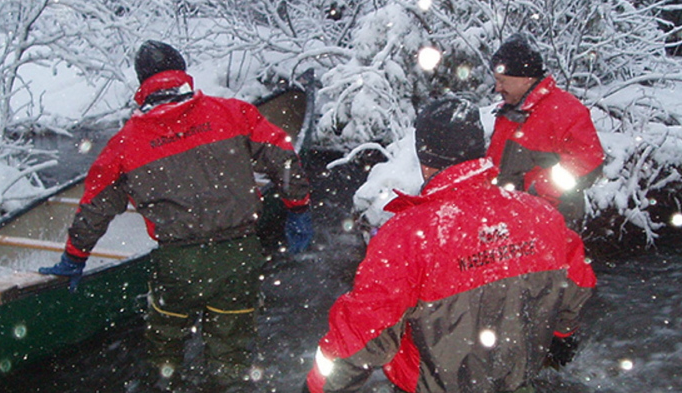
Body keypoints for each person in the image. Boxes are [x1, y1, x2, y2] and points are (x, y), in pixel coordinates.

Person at [40, 40, 313, 393]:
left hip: (177, 263)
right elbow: (283, 158)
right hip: (238, 254)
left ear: (142, 83)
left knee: (165, 351)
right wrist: (298, 208)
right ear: (182, 72)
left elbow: (96, 204)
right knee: (230, 358)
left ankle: (166, 382)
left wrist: (75, 255)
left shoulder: (126, 143)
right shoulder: (233, 113)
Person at [305, 95, 596, 393]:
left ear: (424, 157)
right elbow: (577, 280)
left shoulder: (407, 235)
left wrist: (319, 387)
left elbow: (362, 332)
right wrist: (563, 332)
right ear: (477, 149)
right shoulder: (542, 216)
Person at [486, 34, 605, 230]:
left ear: (526, 79)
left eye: (502, 80)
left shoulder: (566, 110)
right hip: (509, 222)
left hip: (550, 223)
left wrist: (538, 192)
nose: (497, 87)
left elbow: (590, 162)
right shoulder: (509, 112)